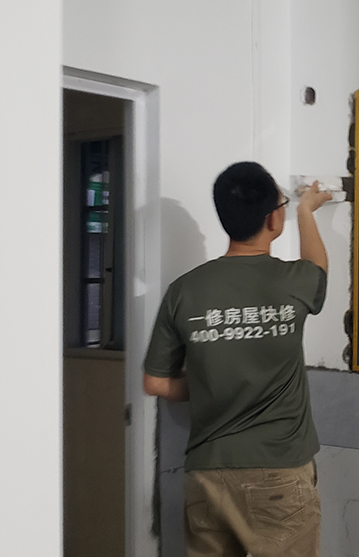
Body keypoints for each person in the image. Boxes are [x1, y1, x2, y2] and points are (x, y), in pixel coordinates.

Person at [142, 161, 332, 557]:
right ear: (273, 219)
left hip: (206, 475)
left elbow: (155, 383)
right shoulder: (293, 281)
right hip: (279, 473)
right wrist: (306, 211)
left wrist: (209, 380)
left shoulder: (183, 291)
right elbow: (318, 267)